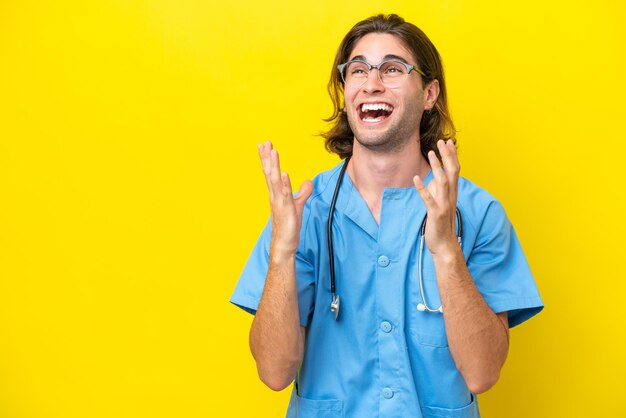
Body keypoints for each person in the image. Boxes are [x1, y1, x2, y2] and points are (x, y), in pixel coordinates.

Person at [231, 14, 543, 418]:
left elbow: (483, 373)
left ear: (430, 93)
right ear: (346, 93)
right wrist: (281, 253)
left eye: (392, 69)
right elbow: (274, 372)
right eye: (357, 70)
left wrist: (447, 251)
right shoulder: (306, 212)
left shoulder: (478, 213)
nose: (371, 82)